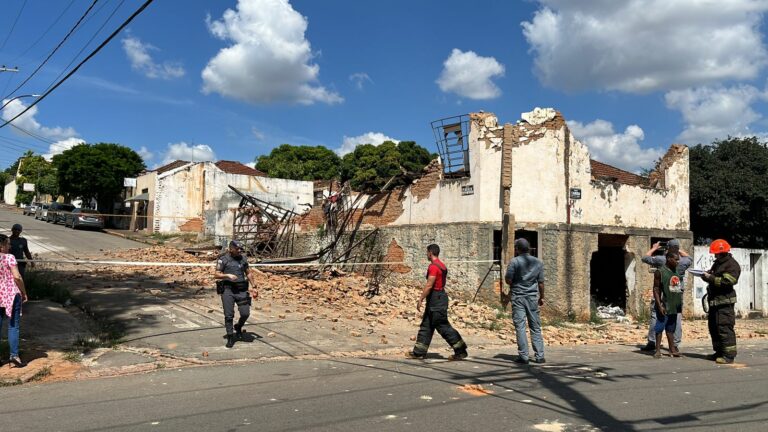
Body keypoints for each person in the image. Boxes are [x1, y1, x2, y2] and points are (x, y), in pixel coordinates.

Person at [407, 244, 468, 360]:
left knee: (442, 326)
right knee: (427, 325)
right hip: (437, 299)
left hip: (436, 300)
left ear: (430, 253)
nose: (426, 254)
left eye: (427, 252)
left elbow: (429, 285)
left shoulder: (433, 267)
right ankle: (419, 352)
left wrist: (420, 299)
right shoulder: (441, 265)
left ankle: (460, 350)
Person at [640, 239, 692, 352]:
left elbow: (644, 257)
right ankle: (675, 344)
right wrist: (678, 249)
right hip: (677, 292)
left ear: (667, 249)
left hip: (663, 292)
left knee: (656, 315)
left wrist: (654, 248)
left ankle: (652, 342)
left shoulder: (662, 259)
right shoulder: (682, 261)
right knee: (676, 317)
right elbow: (690, 258)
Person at [505, 238, 546, 364]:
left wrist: (514, 283)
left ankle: (524, 356)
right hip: (532, 298)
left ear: (517, 249)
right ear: (529, 248)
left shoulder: (514, 262)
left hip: (518, 297)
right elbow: (541, 283)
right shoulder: (538, 262)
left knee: (520, 327)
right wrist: (541, 297)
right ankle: (540, 356)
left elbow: (508, 279)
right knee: (535, 326)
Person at [700, 239, 740, 364]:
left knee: (724, 328)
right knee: (714, 327)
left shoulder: (732, 265)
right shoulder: (718, 263)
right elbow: (714, 276)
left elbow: (727, 282)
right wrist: (707, 275)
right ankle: (719, 352)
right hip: (715, 302)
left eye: (716, 253)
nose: (715, 256)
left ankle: (729, 355)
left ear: (722, 253)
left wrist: (710, 278)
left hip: (724, 302)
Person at [214, 240, 259, 349]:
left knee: (245, 313)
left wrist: (254, 286)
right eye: (237, 249)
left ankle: (238, 326)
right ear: (231, 249)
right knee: (229, 315)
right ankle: (230, 336)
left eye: (240, 248)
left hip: (241, 290)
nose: (239, 250)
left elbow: (248, 272)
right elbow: (216, 274)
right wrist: (227, 276)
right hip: (228, 290)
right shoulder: (223, 259)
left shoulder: (243, 258)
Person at [0, 233, 28, 368]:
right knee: (13, 325)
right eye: (8, 244)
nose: (10, 246)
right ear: (2, 246)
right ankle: (14, 356)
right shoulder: (9, 257)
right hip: (11, 294)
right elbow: (17, 277)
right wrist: (24, 292)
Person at [652, 251, 683, 358]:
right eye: (676, 259)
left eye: (678, 259)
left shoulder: (676, 271)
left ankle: (672, 349)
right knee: (660, 327)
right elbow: (656, 289)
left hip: (675, 304)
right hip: (664, 304)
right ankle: (657, 350)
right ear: (669, 259)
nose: (678, 261)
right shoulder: (660, 272)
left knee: (671, 328)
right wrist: (659, 305)